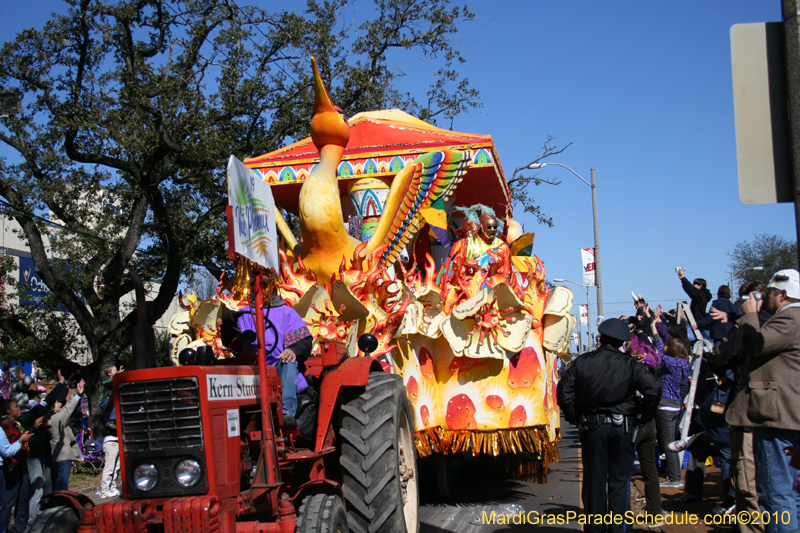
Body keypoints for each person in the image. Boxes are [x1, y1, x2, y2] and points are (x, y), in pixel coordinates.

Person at [557, 318, 661, 532]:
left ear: (600, 338)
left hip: (592, 428)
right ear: (622, 342)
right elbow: (653, 390)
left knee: (594, 482)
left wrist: (575, 417)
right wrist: (643, 416)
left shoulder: (582, 362)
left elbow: (564, 392)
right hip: (622, 428)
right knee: (619, 482)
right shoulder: (631, 365)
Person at [726, 269, 800, 533]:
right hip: (787, 416)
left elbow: (757, 344)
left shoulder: (791, 318)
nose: (763, 298)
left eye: (767, 292)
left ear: (782, 293)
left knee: (775, 493)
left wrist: (749, 315)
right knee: (790, 494)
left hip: (776, 417)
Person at [234, 292, 313, 428]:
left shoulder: (287, 313)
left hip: (278, 366)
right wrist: (228, 323)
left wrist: (293, 349)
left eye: (265, 287)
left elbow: (304, 341)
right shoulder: (243, 315)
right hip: (251, 366)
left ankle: (286, 413)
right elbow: (231, 340)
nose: (261, 292)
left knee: (288, 359)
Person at [47, 379, 85, 491]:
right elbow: (68, 409)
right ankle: (58, 505)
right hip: (63, 456)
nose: (62, 405)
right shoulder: (55, 419)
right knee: (61, 485)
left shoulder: (51, 419)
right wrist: (78, 394)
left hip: (58, 455)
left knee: (55, 482)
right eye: (59, 403)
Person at [0, 403, 32, 533]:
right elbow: (7, 451)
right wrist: (20, 441)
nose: (19, 408)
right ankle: (4, 528)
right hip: (11, 466)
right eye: (15, 406)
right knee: (6, 502)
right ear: (7, 410)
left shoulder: (16, 424)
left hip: (21, 464)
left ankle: (20, 528)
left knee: (22, 497)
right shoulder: (5, 426)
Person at [676, 267, 712, 338]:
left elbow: (691, 290)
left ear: (700, 286)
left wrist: (683, 278)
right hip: (701, 324)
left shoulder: (701, 294)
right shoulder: (702, 295)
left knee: (705, 344)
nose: (693, 286)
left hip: (700, 324)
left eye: (694, 284)